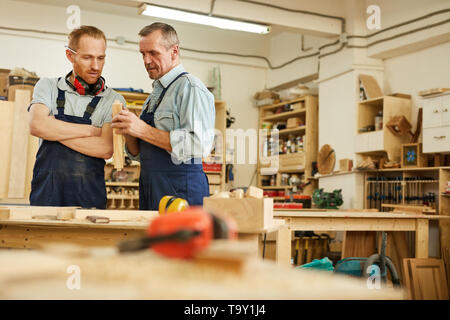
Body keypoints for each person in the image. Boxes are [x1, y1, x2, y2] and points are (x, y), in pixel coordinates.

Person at [112, 22, 215, 210]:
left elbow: (200, 145)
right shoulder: (153, 97)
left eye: (153, 53)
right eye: (143, 54)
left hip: (182, 191)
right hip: (151, 187)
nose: (146, 60)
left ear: (174, 51)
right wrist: (128, 128)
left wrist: (142, 129)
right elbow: (139, 154)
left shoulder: (190, 88)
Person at [28, 25, 126, 208]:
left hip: (89, 198)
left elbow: (105, 148)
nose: (95, 66)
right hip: (46, 196)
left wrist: (54, 131)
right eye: (87, 57)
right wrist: (90, 131)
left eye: (101, 58)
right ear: (70, 55)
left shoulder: (114, 100)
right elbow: (37, 126)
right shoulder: (47, 86)